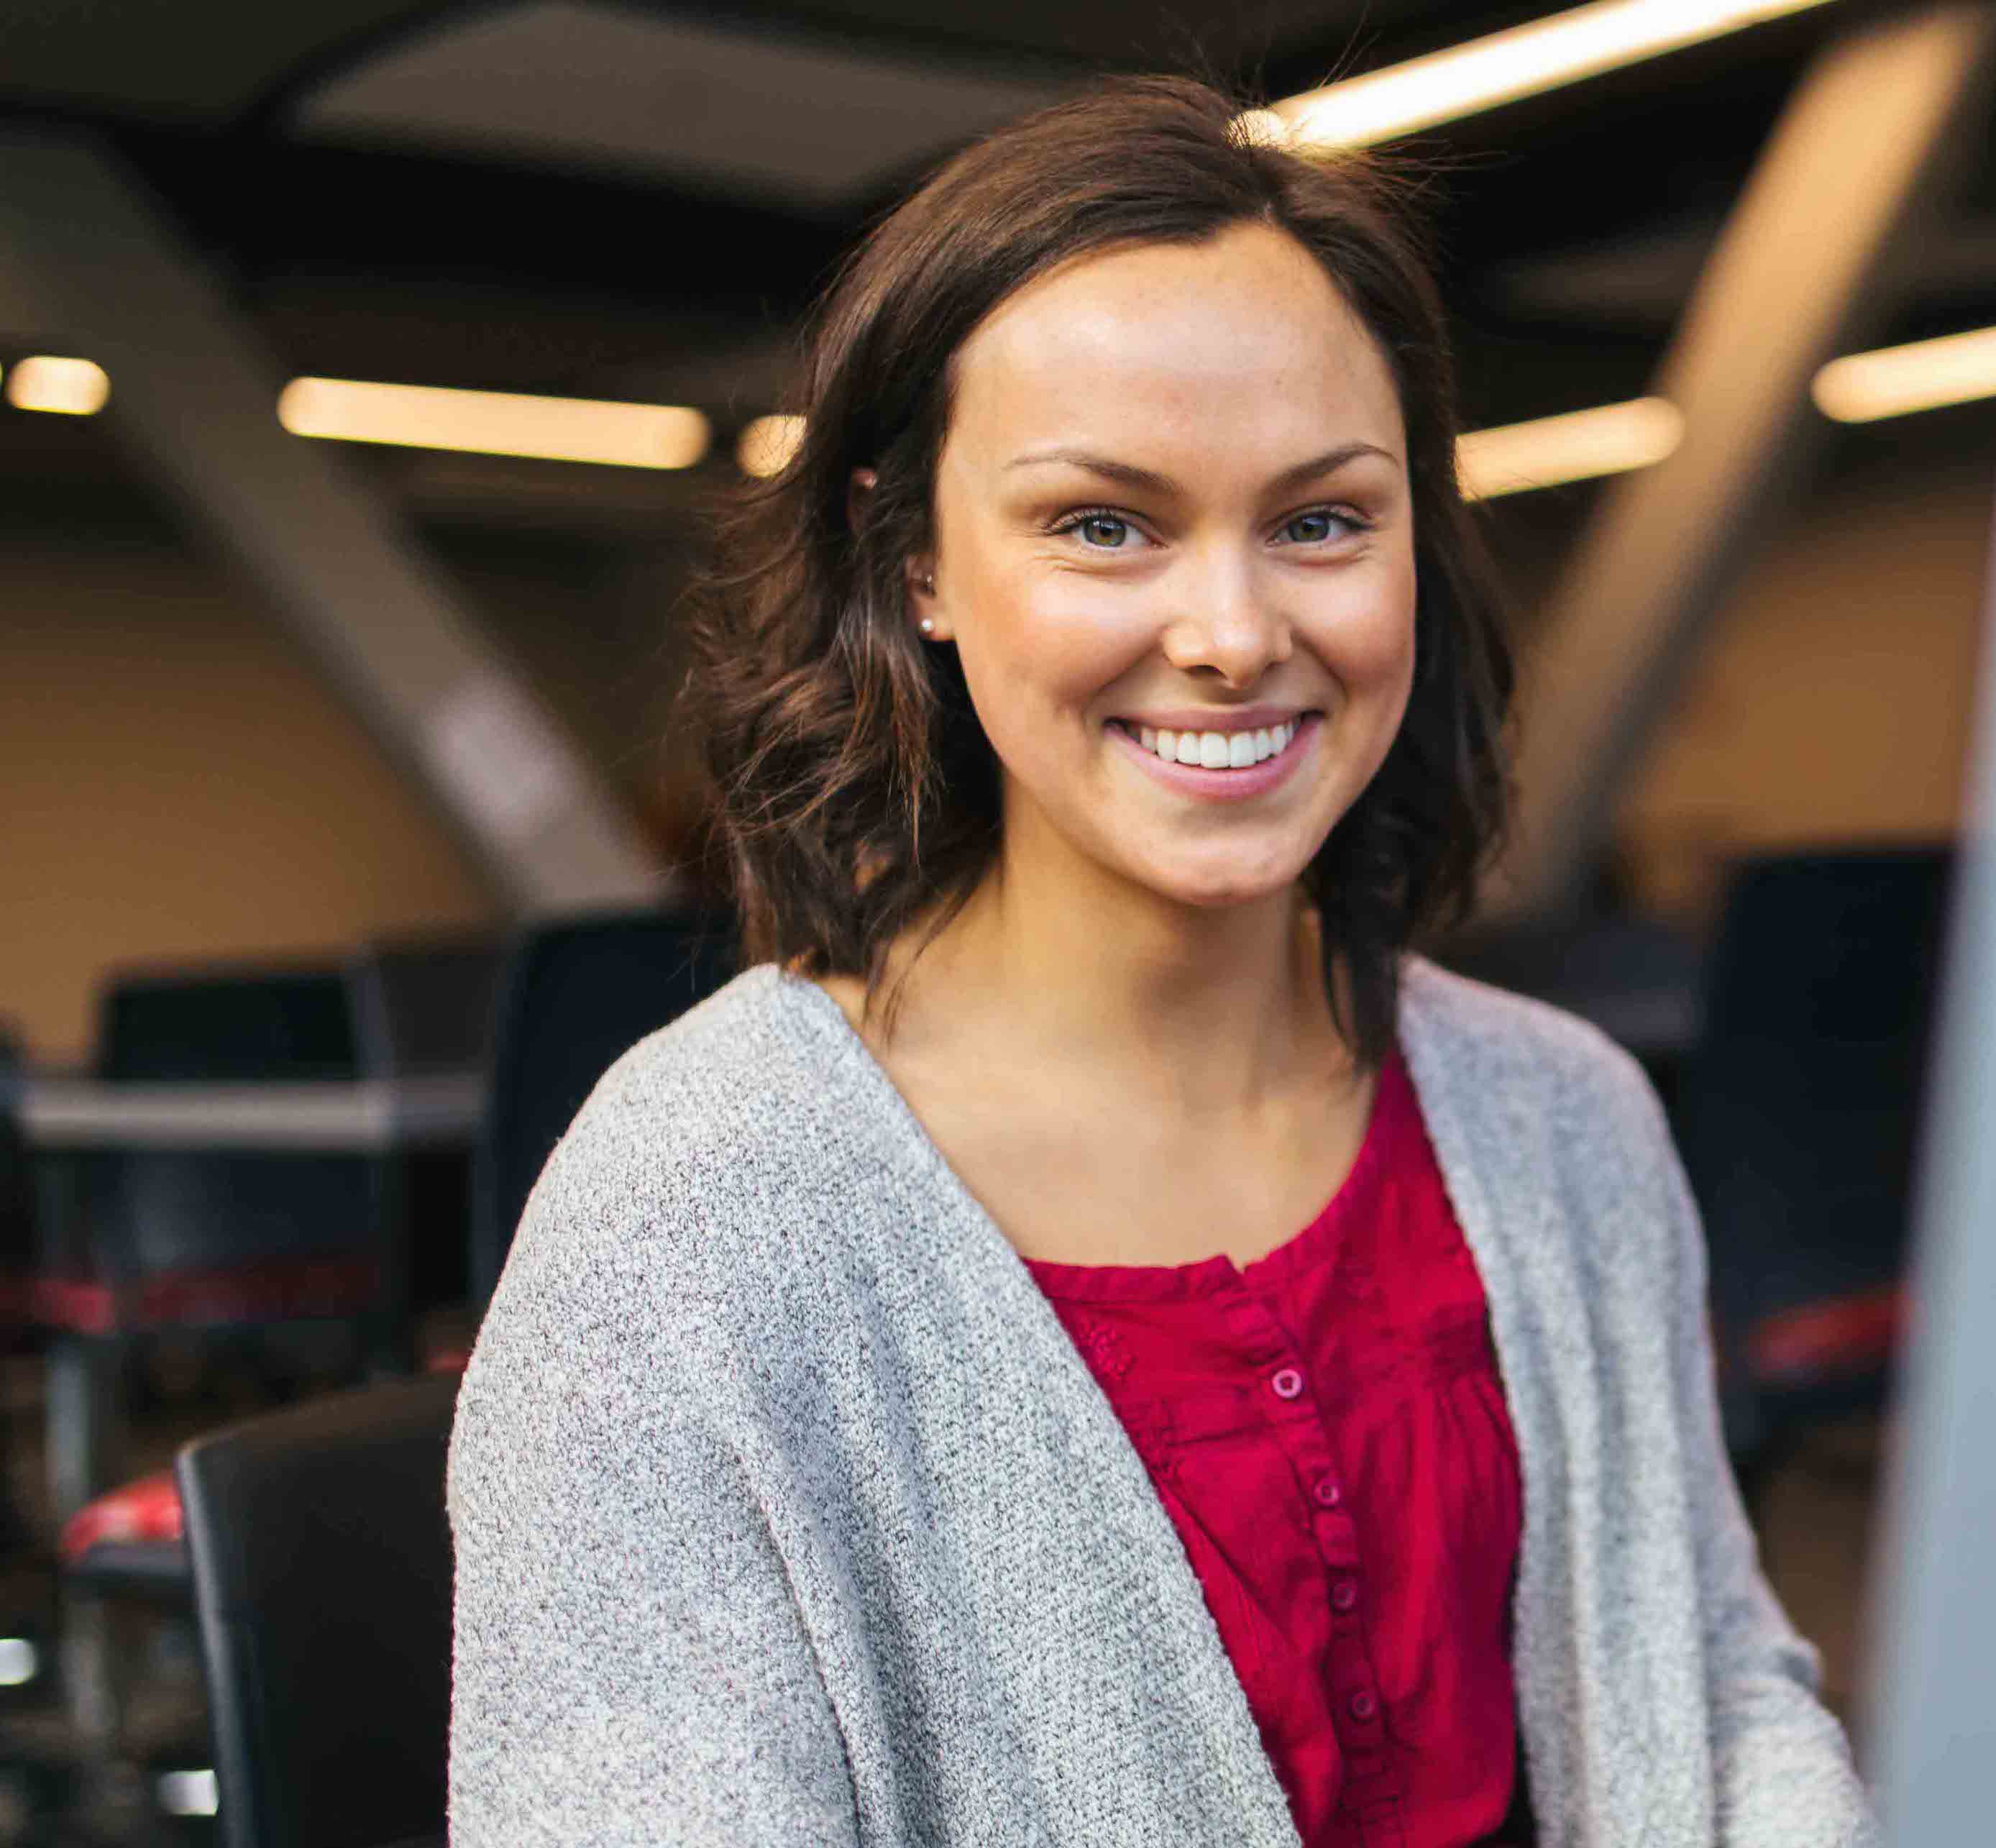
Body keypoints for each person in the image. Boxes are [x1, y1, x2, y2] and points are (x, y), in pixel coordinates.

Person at [445, 77, 1872, 1847]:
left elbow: (1718, 1684)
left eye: (1322, 520)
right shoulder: (696, 1214)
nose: (1232, 635)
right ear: (917, 566)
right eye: (1104, 524)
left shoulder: (1563, 1117)